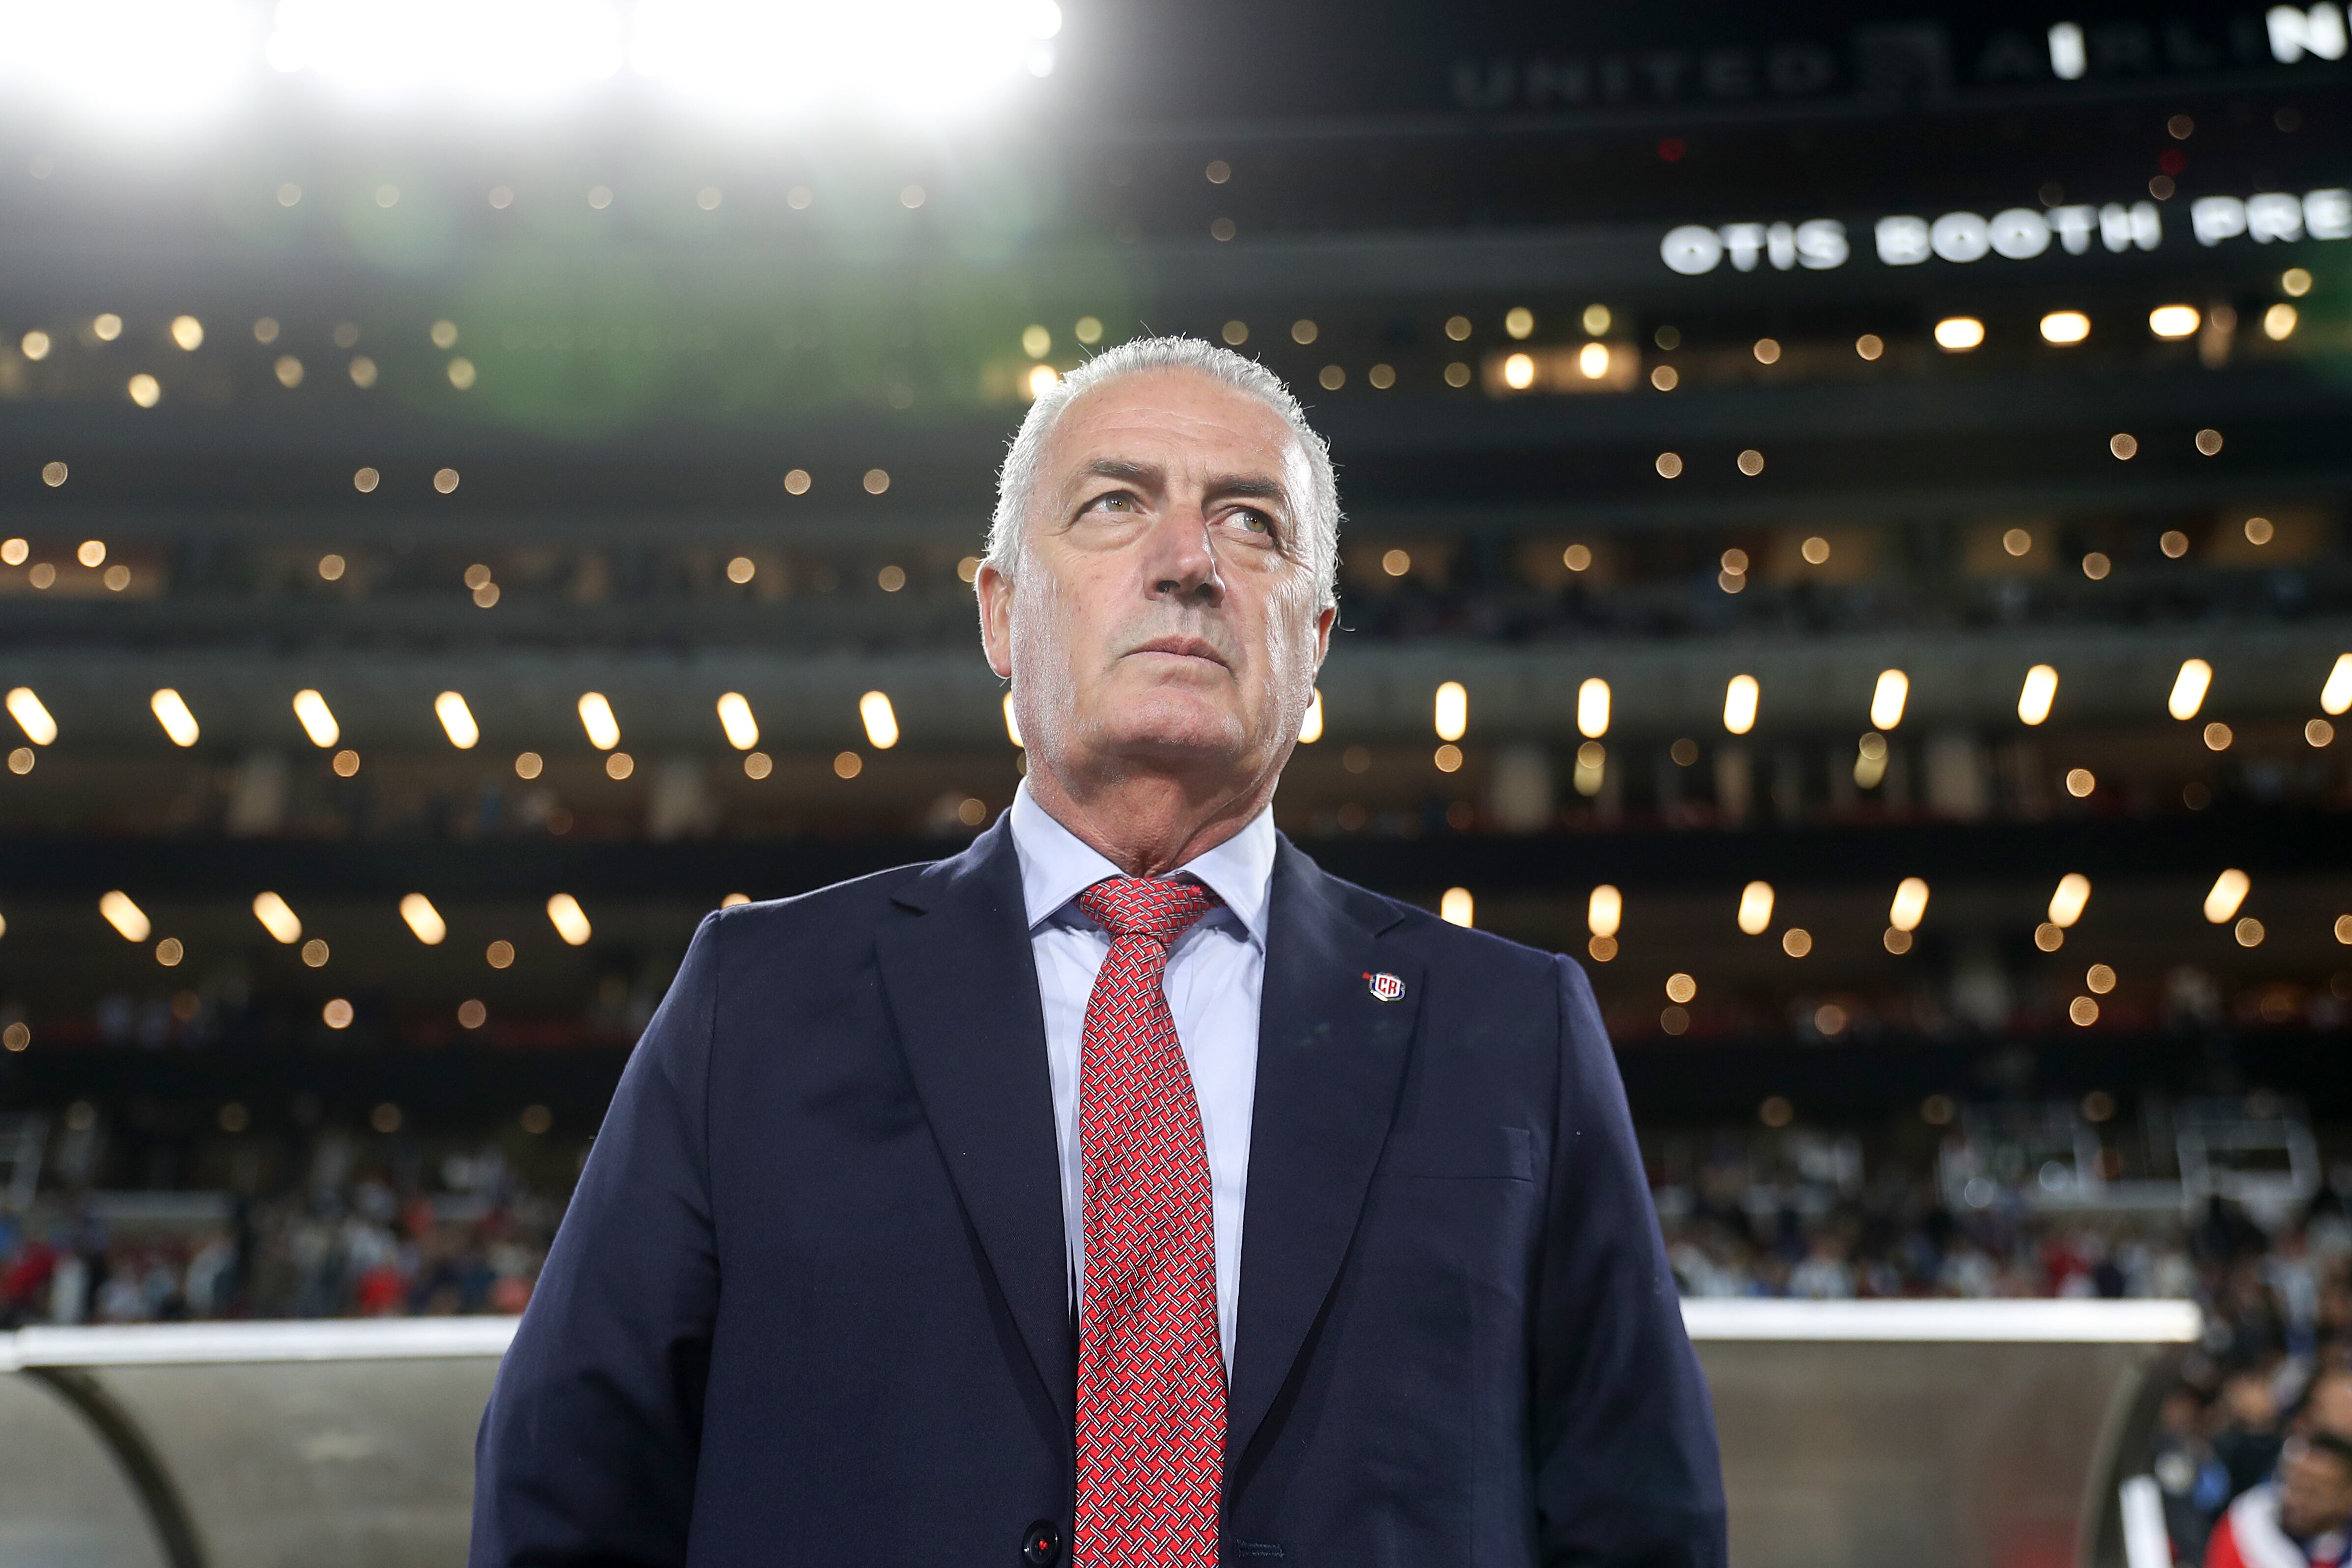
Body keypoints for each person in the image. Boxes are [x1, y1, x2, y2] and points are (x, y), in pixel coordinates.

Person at [471, 336, 1725, 1567]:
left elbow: (1638, 1517)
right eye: (1116, 503)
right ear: (1002, 612)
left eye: (1250, 522)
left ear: (1316, 639)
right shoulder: (753, 995)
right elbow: (570, 1488)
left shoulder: (1510, 1026)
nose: (1187, 561)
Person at [2204, 1433, 2352, 1568]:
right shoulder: (2245, 1530)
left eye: (2313, 1492)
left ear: (2348, 1498)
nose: (2297, 1501)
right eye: (2293, 1486)